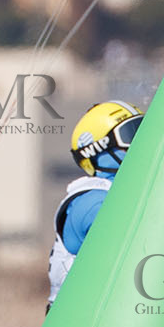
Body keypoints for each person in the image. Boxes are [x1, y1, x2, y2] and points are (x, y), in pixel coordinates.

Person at [48, 100, 143, 309]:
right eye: (131, 134)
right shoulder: (93, 200)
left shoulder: (124, 193)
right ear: (99, 148)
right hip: (78, 324)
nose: (143, 141)